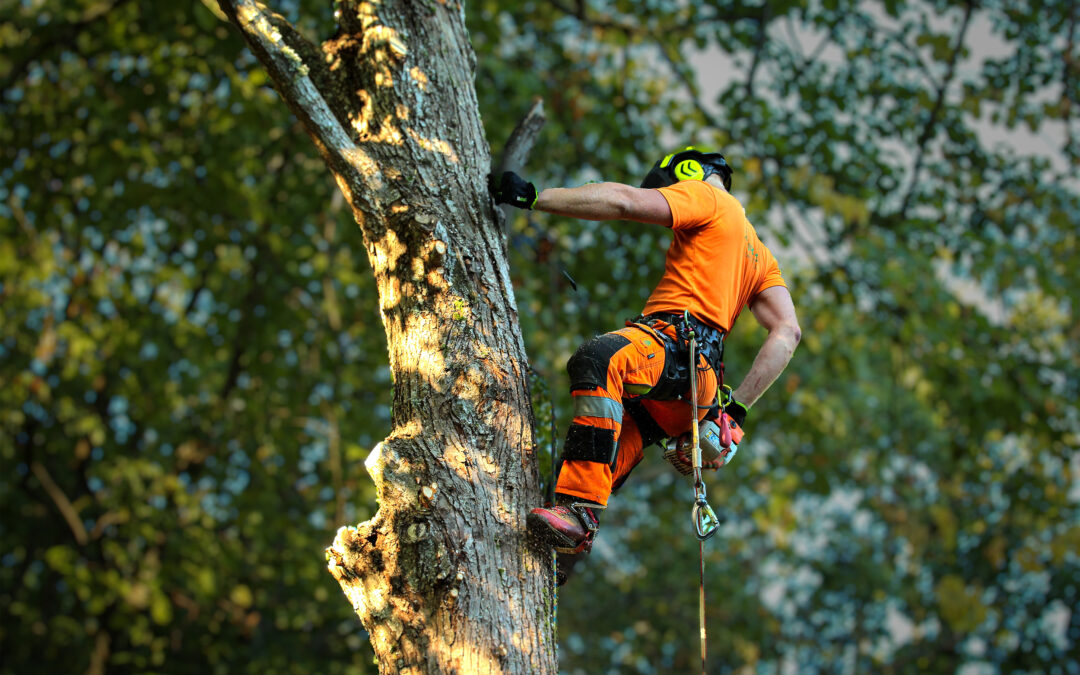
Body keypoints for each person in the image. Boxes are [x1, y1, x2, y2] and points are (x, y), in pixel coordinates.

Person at [492, 148, 801, 579]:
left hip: (675, 346)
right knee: (600, 453)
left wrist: (535, 196)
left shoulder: (709, 197)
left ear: (689, 171)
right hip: (696, 390)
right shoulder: (758, 253)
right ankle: (562, 549)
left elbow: (622, 201)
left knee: (599, 360)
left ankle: (579, 514)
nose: (670, 193)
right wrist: (734, 413)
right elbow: (787, 332)